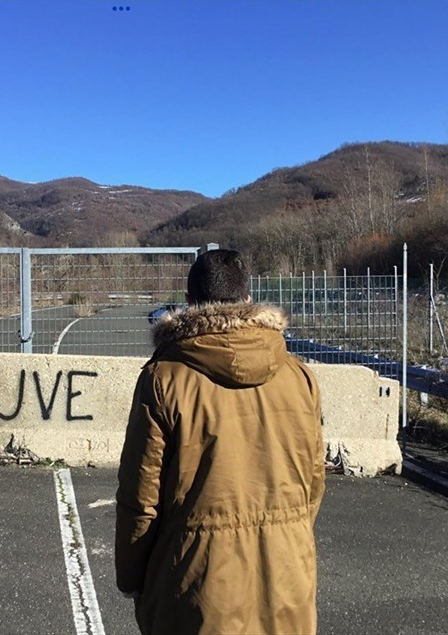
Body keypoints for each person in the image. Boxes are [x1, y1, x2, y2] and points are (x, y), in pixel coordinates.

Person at [115, 249, 326, 635]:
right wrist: (288, 536)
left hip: (196, 586)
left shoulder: (164, 379)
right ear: (248, 299)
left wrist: (132, 577)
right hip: (288, 576)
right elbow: (313, 482)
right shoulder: (300, 377)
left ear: (191, 303)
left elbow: (140, 499)